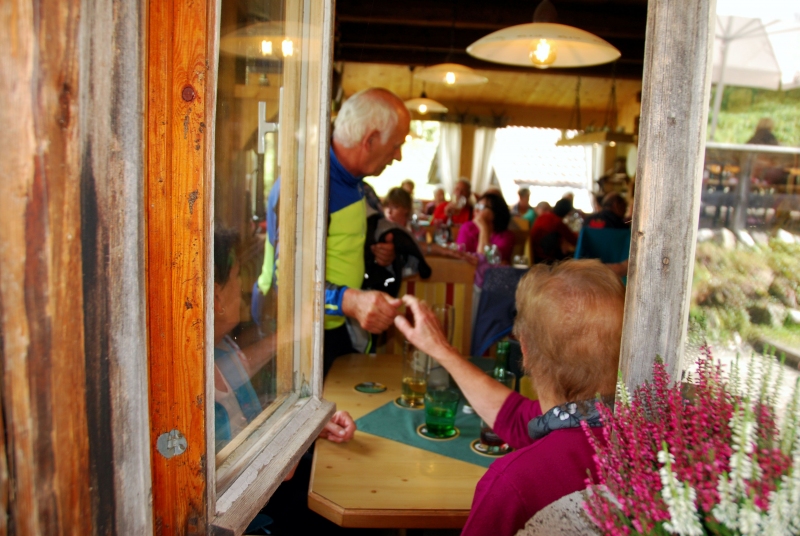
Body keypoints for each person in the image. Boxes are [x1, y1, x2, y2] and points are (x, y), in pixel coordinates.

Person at [394, 259, 624, 536]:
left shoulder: (513, 485)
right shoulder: (641, 435)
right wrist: (440, 349)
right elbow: (517, 418)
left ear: (523, 349)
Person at [258, 88, 409, 372]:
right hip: (294, 334)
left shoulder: (357, 184)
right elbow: (288, 282)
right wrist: (350, 301)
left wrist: (378, 254)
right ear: (370, 140)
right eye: (396, 144)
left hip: (335, 326)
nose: (398, 155)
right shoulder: (306, 185)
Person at [213, 229, 356, 453]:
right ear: (216, 298)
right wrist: (305, 426)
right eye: (237, 275)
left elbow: (233, 370)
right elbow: (262, 464)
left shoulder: (218, 349)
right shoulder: (202, 403)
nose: (241, 285)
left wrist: (311, 422)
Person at [456, 192, 515, 264]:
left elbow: (486, 261)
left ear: (495, 212)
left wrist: (484, 229)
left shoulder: (506, 236)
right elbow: (460, 256)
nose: (476, 210)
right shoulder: (467, 228)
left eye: (481, 207)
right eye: (476, 205)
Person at [529, 198, 578, 264]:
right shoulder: (557, 221)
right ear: (567, 213)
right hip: (544, 258)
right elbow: (573, 239)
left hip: (532, 254)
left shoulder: (543, 216)